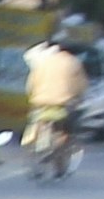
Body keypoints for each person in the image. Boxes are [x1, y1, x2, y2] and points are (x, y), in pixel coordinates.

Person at [24, 35, 85, 173]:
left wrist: (34, 97)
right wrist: (78, 98)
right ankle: (59, 161)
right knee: (64, 132)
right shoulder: (74, 62)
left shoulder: (43, 62)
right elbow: (81, 86)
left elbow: (30, 84)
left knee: (37, 123)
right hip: (62, 104)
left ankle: (36, 147)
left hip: (40, 103)